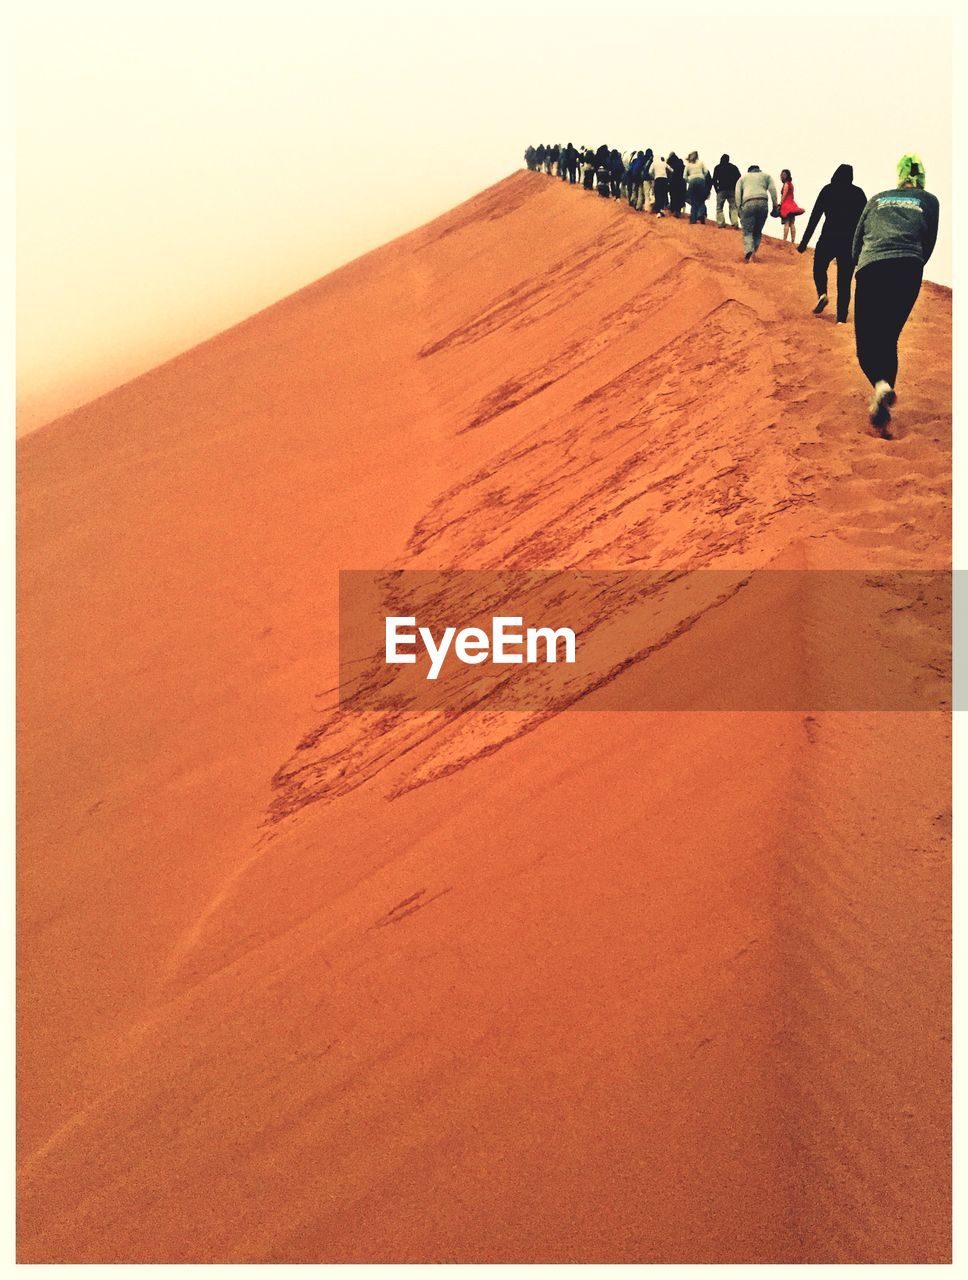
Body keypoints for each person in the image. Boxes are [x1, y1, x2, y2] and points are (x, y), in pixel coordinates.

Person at [851, 154, 939, 433]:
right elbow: (929, 241)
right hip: (908, 268)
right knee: (889, 337)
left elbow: (857, 239)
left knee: (866, 343)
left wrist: (859, 262)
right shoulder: (929, 200)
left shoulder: (877, 198)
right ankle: (884, 396)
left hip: (872, 268)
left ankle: (880, 386)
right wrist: (912, 263)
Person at [798, 163, 868, 324]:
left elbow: (815, 217)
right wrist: (864, 245)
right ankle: (841, 318)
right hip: (848, 243)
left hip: (828, 238)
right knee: (844, 280)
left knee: (819, 267)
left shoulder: (828, 190)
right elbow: (866, 221)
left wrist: (804, 242)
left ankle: (822, 293)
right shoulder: (858, 193)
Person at [735, 165, 779, 261]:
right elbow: (773, 191)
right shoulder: (766, 176)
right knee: (757, 230)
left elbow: (737, 194)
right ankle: (754, 251)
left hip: (748, 202)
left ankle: (749, 252)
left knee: (747, 231)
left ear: (749, 171)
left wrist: (738, 209)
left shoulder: (742, 178)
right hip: (763, 202)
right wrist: (775, 206)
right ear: (759, 170)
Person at [713, 154, 741, 227]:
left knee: (719, 207)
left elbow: (714, 180)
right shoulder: (733, 167)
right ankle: (735, 223)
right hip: (732, 190)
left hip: (721, 190)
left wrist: (717, 190)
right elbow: (739, 179)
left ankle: (721, 223)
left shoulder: (718, 167)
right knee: (733, 207)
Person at [778, 170, 805, 244]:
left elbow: (784, 195)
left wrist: (780, 204)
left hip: (786, 205)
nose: (781, 176)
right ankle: (793, 241)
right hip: (792, 204)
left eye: (783, 175)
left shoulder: (786, 184)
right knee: (792, 223)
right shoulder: (791, 184)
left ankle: (784, 240)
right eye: (781, 175)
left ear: (787, 176)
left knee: (787, 222)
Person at [684, 152, 710, 224]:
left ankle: (693, 219)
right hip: (701, 181)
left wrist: (689, 181)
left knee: (694, 200)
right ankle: (701, 215)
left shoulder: (688, 165)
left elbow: (684, 176)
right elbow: (706, 172)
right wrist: (702, 178)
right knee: (701, 199)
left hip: (692, 181)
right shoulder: (701, 163)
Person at [667, 151, 686, 217]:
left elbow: (668, 172)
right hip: (681, 182)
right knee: (680, 196)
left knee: (673, 195)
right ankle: (677, 210)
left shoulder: (669, 162)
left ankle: (672, 209)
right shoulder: (682, 165)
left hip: (673, 181)